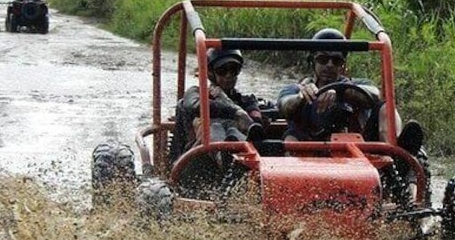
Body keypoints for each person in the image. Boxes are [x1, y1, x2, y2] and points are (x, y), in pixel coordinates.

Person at [276, 28, 424, 153]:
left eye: (336, 61)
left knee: (386, 106)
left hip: (357, 148)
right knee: (290, 138)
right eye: (322, 59)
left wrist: (341, 92)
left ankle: (395, 152)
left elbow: (376, 94)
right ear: (312, 62)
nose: (329, 65)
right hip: (309, 147)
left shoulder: (356, 86)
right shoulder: (296, 90)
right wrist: (302, 97)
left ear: (343, 65)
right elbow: (284, 106)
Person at [170, 47, 266, 163]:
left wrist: (244, 118)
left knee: (233, 130)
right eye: (222, 70)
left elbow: (256, 125)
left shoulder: (247, 101)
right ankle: (222, 156)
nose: (228, 75)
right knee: (215, 127)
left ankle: (236, 159)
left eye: (234, 70)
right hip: (197, 160)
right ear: (210, 73)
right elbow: (195, 105)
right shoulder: (195, 93)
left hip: (242, 151)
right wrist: (235, 112)